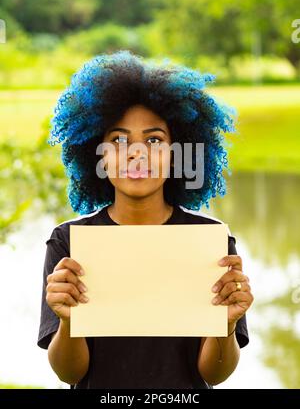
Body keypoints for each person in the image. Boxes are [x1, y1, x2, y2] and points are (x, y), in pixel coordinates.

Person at [37, 50, 254, 389]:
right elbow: (70, 373)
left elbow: (214, 374)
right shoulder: (70, 241)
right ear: (98, 154)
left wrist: (225, 326)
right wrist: (67, 322)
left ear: (177, 152)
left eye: (154, 139)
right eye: (118, 140)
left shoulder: (210, 240)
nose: (136, 153)